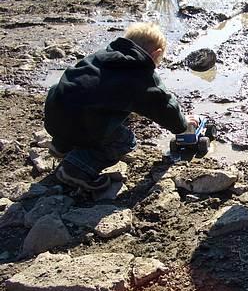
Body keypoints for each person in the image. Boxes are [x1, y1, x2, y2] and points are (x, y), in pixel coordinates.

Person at [44, 22, 197, 191]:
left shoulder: (102, 55)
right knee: (125, 140)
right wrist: (182, 125)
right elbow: (164, 107)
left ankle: (61, 147)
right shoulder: (141, 74)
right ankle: (76, 169)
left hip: (54, 113)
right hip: (81, 124)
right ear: (156, 53)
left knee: (87, 108)